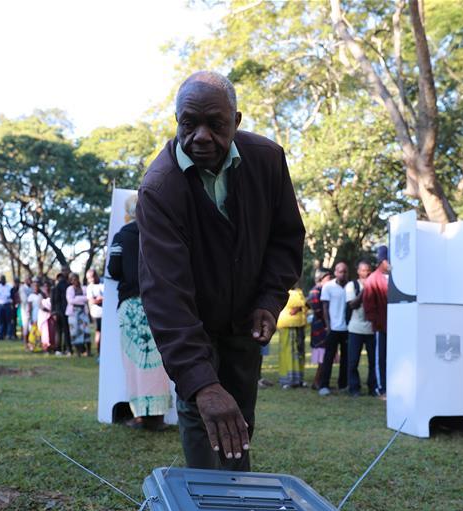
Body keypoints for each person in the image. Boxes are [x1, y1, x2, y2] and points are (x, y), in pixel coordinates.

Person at [137, 71, 305, 470]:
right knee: (203, 413)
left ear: (237, 121)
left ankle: (237, 507)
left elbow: (286, 238)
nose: (200, 137)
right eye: (188, 124)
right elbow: (165, 293)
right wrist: (202, 381)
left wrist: (269, 299)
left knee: (239, 423)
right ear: (177, 120)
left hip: (245, 325)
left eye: (215, 124)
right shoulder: (159, 189)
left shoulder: (267, 160)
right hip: (194, 323)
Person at [109, 193, 172, 431]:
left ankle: (142, 416)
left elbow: (114, 269)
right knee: (158, 360)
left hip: (131, 305)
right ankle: (159, 416)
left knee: (136, 362)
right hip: (159, 304)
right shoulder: (161, 235)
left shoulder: (122, 236)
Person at [346, 260, 377, 397]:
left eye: (368, 270)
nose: (366, 272)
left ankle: (373, 387)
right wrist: (365, 290)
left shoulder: (376, 285)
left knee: (373, 361)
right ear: (358, 271)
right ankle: (354, 388)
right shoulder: (351, 286)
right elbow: (352, 305)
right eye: (363, 270)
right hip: (355, 329)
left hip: (372, 329)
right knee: (353, 361)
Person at [362, 245, 390, 396]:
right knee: (381, 358)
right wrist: (377, 323)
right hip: (381, 327)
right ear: (382, 261)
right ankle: (381, 387)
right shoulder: (373, 279)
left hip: (396, 327)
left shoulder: (396, 276)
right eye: (388, 260)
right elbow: (368, 305)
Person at [318, 262, 349, 396]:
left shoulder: (350, 286)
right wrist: (328, 326)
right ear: (335, 272)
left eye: (344, 271)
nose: (342, 274)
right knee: (329, 357)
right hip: (333, 328)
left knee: (346, 358)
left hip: (347, 328)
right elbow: (325, 307)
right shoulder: (328, 287)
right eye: (340, 271)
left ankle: (343, 384)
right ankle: (324, 385)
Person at [276, 287, 307, 389]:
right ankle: (292, 380)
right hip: (290, 326)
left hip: (291, 326)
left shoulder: (292, 291)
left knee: (291, 352)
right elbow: (295, 309)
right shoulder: (295, 293)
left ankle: (292, 380)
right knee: (292, 352)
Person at [307, 269, 332, 390]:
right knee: (322, 356)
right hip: (320, 326)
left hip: (323, 325)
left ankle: (319, 380)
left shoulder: (323, 290)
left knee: (325, 355)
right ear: (321, 278)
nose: (330, 280)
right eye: (327, 278)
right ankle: (317, 381)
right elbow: (318, 311)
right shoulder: (315, 291)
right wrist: (327, 323)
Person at [66, 272, 88, 355]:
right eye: (73, 279)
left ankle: (86, 351)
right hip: (73, 313)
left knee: (85, 330)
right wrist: (82, 299)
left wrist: (77, 298)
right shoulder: (70, 289)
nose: (75, 281)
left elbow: (88, 298)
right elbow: (70, 300)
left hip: (83, 312)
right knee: (74, 331)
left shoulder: (84, 288)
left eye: (76, 279)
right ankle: (78, 351)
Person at [51, 271, 72, 356]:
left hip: (58, 311)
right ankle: (68, 348)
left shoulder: (55, 288)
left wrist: (54, 312)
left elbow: (53, 301)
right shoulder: (68, 286)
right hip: (65, 311)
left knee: (58, 331)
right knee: (66, 331)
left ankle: (58, 349)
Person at [86, 269, 105, 356]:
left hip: (106, 313)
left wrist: (100, 298)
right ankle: (99, 352)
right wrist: (101, 299)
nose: (92, 279)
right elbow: (92, 301)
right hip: (97, 313)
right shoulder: (90, 287)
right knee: (99, 332)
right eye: (90, 278)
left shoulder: (103, 283)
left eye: (93, 276)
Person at [0, 276, 13, 340]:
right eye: (1, 279)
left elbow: (8, 295)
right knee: (0, 321)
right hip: (0, 305)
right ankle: (1, 335)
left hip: (7, 305)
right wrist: (3, 296)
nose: (3, 280)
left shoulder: (9, 286)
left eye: (4, 279)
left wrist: (2, 296)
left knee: (8, 320)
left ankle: (9, 335)